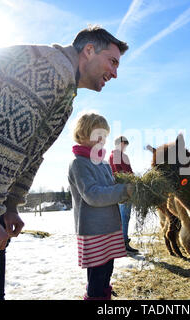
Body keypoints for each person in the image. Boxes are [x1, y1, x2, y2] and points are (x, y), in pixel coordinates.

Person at [0, 25, 128, 300]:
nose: (115, 73)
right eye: (112, 61)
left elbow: (31, 150)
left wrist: (10, 204)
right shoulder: (49, 70)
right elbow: (6, 140)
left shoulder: (64, 90)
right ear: (89, 50)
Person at [68, 113, 133, 300]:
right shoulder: (78, 163)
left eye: (105, 135)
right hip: (93, 229)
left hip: (109, 226)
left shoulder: (103, 163)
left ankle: (104, 293)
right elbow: (93, 194)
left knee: (107, 269)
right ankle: (96, 296)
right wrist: (122, 191)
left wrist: (128, 189)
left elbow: (111, 188)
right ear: (82, 134)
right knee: (97, 272)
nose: (103, 139)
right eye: (98, 134)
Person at [109, 136, 138, 253]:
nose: (125, 146)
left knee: (123, 217)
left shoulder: (115, 155)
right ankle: (123, 243)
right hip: (124, 189)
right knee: (124, 217)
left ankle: (121, 242)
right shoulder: (117, 156)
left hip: (120, 189)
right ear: (119, 143)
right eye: (124, 143)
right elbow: (123, 173)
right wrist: (133, 180)